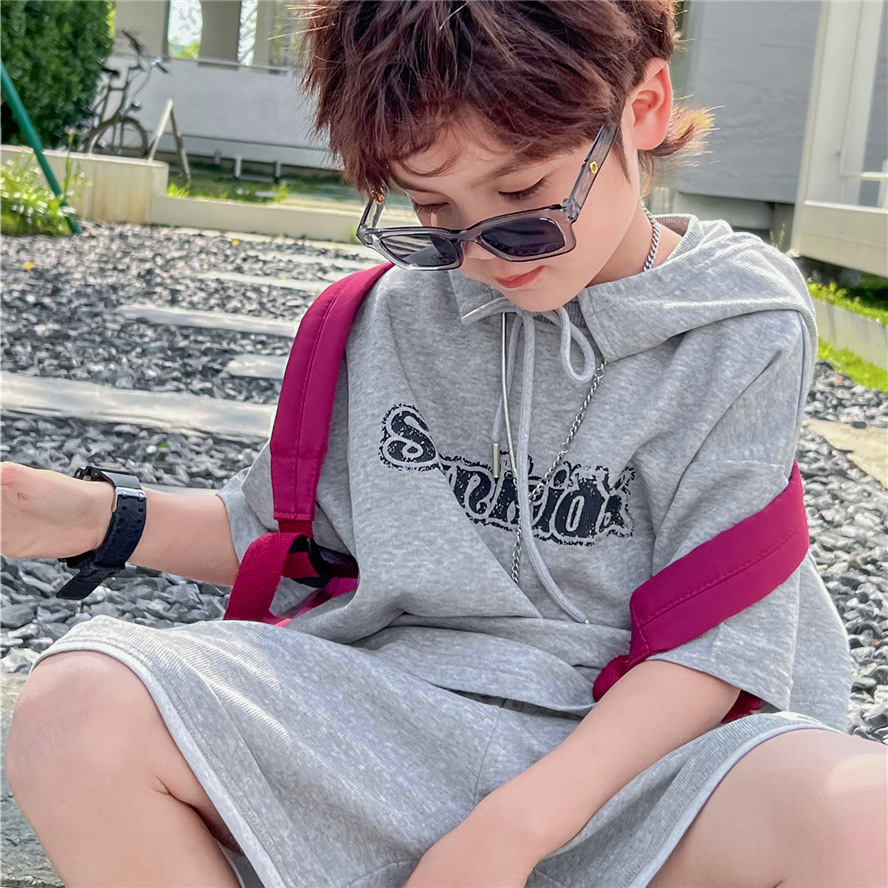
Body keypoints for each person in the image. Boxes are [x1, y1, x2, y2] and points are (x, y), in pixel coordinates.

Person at [2, 2, 886, 886]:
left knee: (863, 813)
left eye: (524, 198)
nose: (486, 250)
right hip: (400, 714)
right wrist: (85, 517)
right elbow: (292, 541)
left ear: (644, 108)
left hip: (648, 761)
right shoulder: (388, 315)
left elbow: (714, 645)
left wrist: (509, 833)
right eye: (433, 211)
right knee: (77, 706)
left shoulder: (742, 329)